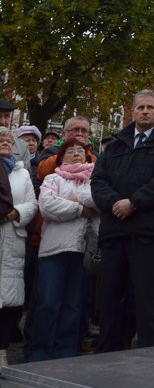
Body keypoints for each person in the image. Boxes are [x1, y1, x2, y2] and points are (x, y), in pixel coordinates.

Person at [90, 89, 154, 352]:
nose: (145, 111)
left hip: (148, 235)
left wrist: (134, 203)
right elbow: (98, 180)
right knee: (109, 300)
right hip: (114, 233)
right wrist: (114, 203)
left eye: (150, 107)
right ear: (132, 111)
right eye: (140, 107)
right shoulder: (116, 145)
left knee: (147, 302)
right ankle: (107, 354)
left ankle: (149, 357)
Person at [27, 138, 98, 361]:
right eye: (71, 152)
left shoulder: (95, 180)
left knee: (74, 305)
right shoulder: (53, 178)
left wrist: (74, 198)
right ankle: (40, 351)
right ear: (61, 157)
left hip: (82, 251)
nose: (77, 154)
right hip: (53, 250)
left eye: (81, 151)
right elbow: (48, 207)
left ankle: (65, 351)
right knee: (48, 303)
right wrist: (80, 209)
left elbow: (98, 199)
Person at [0, 127, 38, 369]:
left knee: (8, 302)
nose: (4, 142)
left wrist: (16, 213)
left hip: (11, 238)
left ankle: (1, 354)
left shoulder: (21, 173)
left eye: (7, 139)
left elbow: (32, 204)